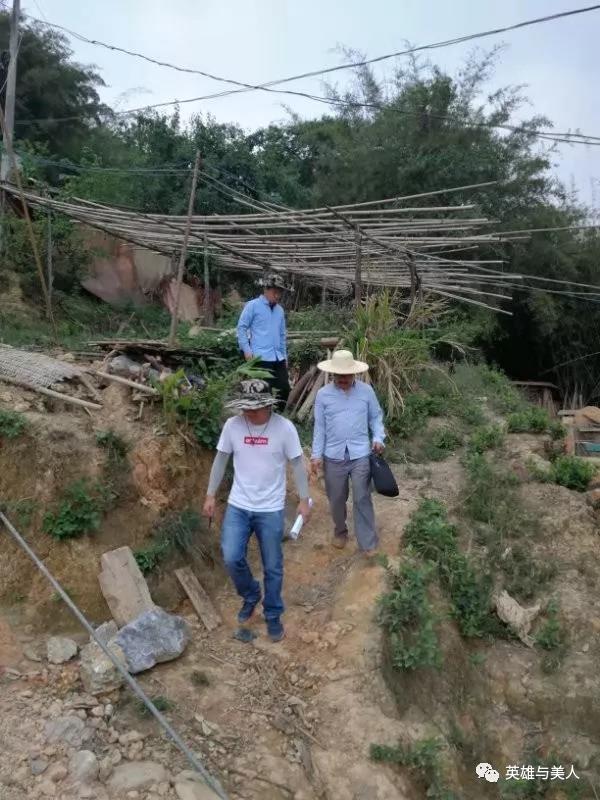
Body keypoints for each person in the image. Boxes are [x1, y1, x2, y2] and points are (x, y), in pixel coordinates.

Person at [203, 379, 311, 642]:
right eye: (244, 409)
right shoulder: (233, 426)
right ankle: (251, 594)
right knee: (231, 556)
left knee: (273, 566)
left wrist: (304, 498)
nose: (248, 414)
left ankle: (273, 614)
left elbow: (297, 464)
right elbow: (220, 460)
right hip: (239, 505)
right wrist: (210, 494)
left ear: (268, 405)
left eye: (254, 409)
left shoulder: (284, 429)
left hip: (271, 508)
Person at [310, 350, 385, 556]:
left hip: (360, 453)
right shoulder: (323, 395)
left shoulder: (366, 392)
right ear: (333, 374)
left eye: (347, 375)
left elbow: (376, 418)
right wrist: (316, 456)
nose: (343, 379)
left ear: (354, 374)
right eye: (339, 376)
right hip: (332, 455)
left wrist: (378, 438)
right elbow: (320, 429)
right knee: (336, 499)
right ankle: (340, 531)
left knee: (362, 497)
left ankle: (367, 543)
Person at [236, 274, 292, 409]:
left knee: (284, 389)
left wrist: (284, 356)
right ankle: (262, 420)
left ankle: (277, 418)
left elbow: (282, 335)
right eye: (275, 291)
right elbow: (241, 328)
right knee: (262, 393)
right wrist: (247, 350)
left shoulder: (280, 311)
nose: (278, 295)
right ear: (266, 289)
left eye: (280, 292)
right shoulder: (253, 306)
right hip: (260, 357)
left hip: (277, 357)